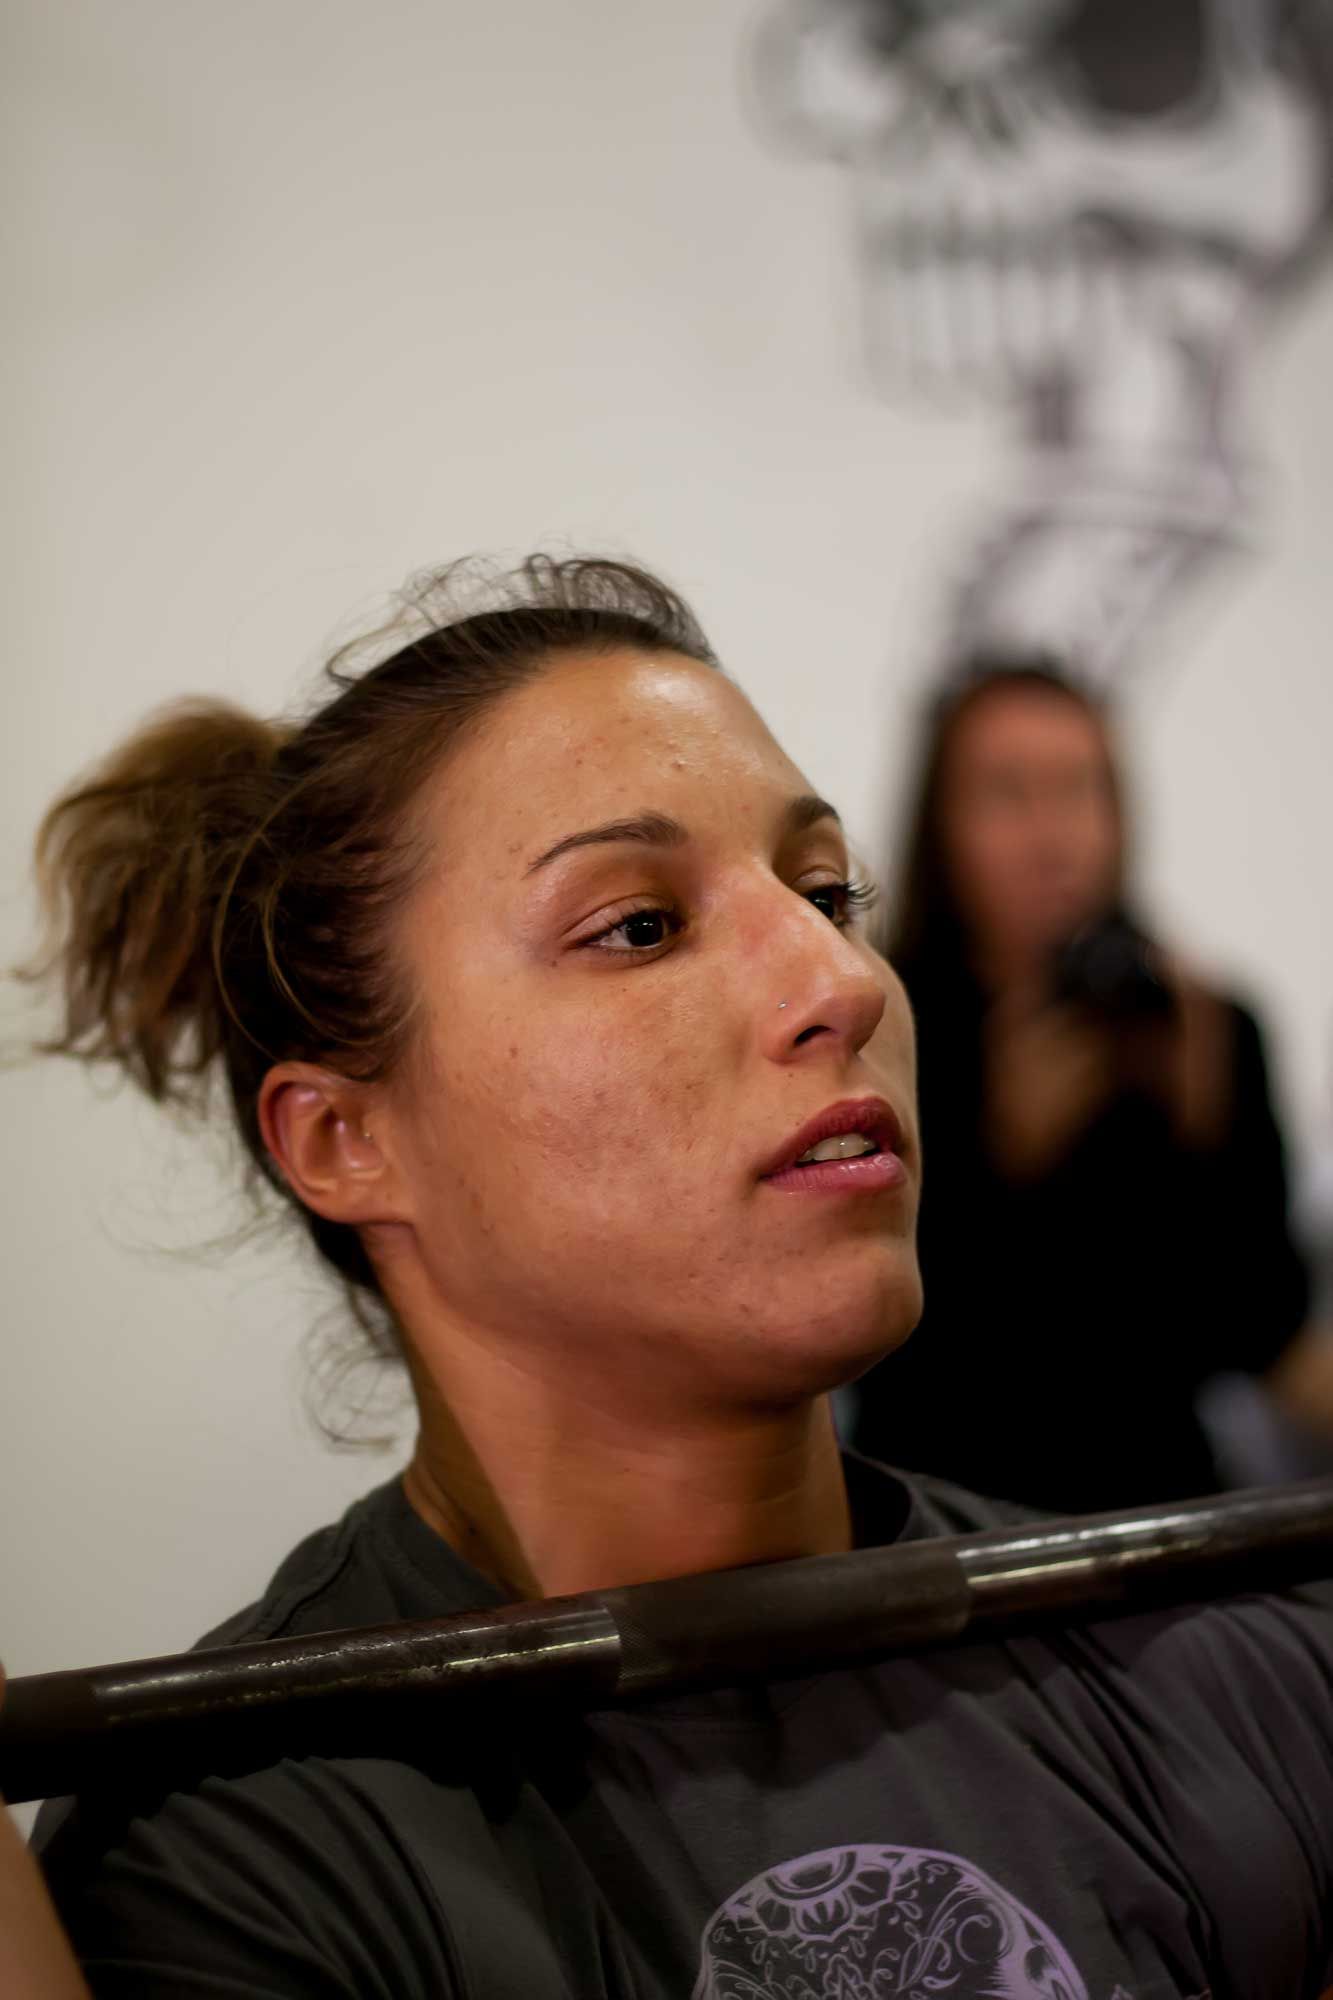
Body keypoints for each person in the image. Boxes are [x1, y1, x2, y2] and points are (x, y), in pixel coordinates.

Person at [13, 557, 1333, 1996]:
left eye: (826, 891)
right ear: (344, 1138)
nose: (840, 979)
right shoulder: (239, 1858)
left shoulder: (1213, 1678)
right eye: (638, 925)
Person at [849, 659, 1321, 1514]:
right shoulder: (875, 1024)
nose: (1052, 835)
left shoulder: (1203, 1022)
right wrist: (1002, 1162)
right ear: (939, 824)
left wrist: (1205, 1128)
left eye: (1079, 789)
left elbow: (1258, 1330)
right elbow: (874, 1342)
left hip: (1166, 1507)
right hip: (944, 1514)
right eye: (1007, 794)